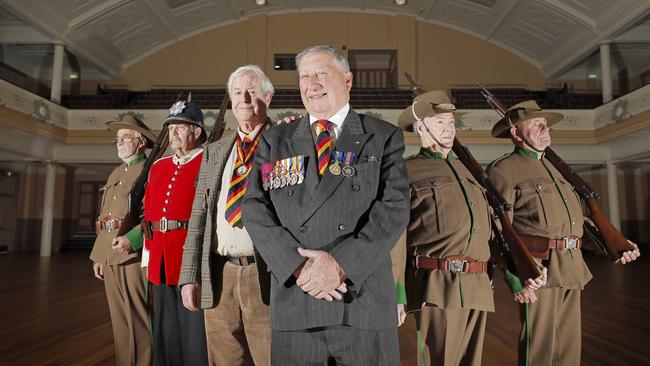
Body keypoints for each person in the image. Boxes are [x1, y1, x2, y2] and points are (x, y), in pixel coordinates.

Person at [242, 44, 409, 365]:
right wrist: (299, 267)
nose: (311, 83)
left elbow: (393, 209)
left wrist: (340, 266)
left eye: (322, 73)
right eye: (304, 76)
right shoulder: (275, 140)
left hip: (362, 300)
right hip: (297, 299)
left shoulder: (382, 136)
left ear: (347, 80)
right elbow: (254, 208)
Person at [486, 100, 641, 365]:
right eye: (536, 124)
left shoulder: (557, 168)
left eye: (546, 124)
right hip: (538, 270)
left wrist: (616, 240)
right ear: (515, 133)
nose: (545, 128)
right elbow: (499, 230)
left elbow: (576, 219)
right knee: (540, 348)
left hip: (571, 266)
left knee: (569, 348)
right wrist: (516, 277)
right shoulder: (503, 170)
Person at [179, 65, 274, 366]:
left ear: (268, 97)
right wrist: (189, 277)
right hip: (219, 273)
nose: (244, 98)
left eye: (252, 91)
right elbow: (198, 217)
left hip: (266, 274)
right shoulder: (215, 150)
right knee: (223, 359)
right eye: (237, 92)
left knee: (272, 357)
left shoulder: (285, 143)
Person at [114, 97, 209, 365]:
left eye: (180, 127)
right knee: (166, 330)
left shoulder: (208, 160)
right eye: (170, 128)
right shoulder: (159, 165)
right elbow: (149, 214)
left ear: (197, 132)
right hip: (161, 257)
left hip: (190, 258)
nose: (173, 133)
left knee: (194, 334)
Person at [90, 115, 155, 366]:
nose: (119, 143)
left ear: (140, 143)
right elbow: (104, 218)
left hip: (132, 255)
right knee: (119, 322)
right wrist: (99, 256)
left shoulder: (150, 170)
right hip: (110, 256)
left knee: (138, 318)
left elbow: (152, 213)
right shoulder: (116, 173)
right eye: (117, 139)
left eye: (125, 137)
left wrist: (133, 239)